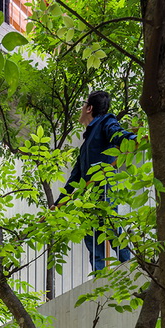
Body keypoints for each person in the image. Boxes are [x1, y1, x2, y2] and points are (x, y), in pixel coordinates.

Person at [55, 90, 136, 272]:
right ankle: (99, 276)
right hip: (88, 194)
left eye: (83, 105)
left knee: (110, 225)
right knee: (91, 235)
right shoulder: (84, 147)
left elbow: (117, 133)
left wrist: (132, 139)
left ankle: (129, 267)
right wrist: (58, 203)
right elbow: (74, 178)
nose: (81, 109)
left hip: (105, 184)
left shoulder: (105, 122)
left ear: (89, 108)